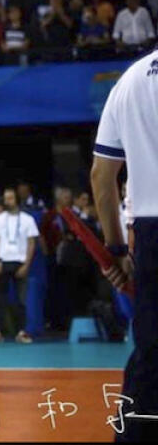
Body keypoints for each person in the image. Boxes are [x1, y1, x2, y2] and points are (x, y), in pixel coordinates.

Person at [90, 42, 156, 442]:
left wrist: (116, 250)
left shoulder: (129, 81)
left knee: (150, 354)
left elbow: (102, 175)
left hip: (150, 235)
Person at [0, 186, 39, 344]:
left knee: (21, 300)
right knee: (0, 299)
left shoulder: (27, 219)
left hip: (20, 263)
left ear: (17, 199)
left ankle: (21, 331)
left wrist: (26, 265)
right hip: (3, 262)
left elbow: (32, 244)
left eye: (10, 198)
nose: (7, 201)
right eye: (5, 198)